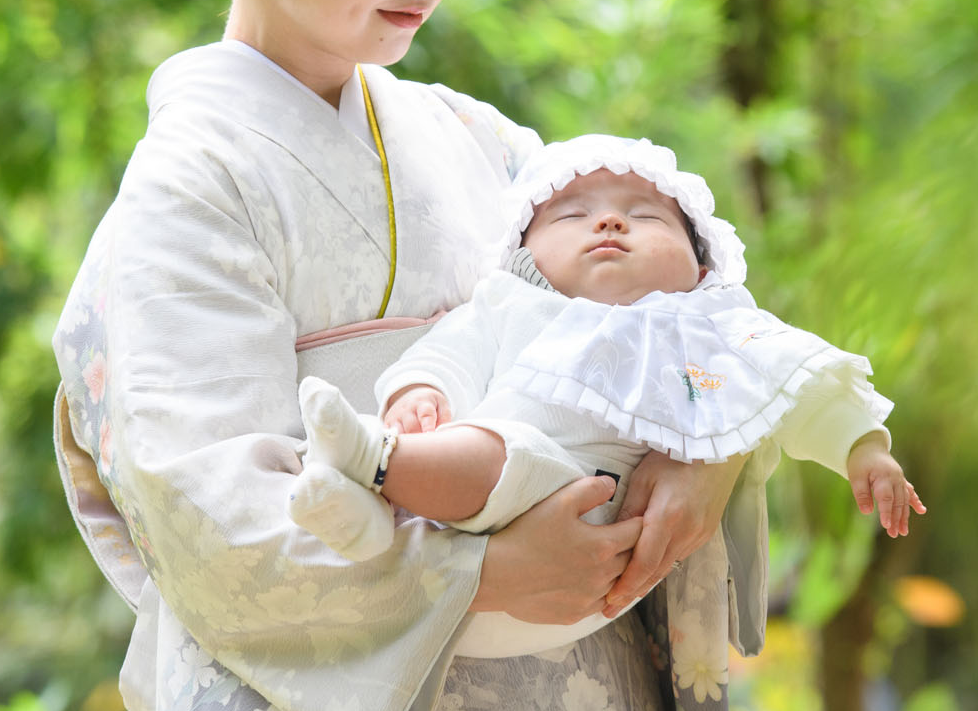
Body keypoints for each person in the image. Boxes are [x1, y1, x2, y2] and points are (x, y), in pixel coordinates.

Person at [50, 0, 754, 711]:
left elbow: (694, 310)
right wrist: (480, 569)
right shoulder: (187, 187)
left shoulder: (482, 146)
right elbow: (209, 514)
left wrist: (705, 453)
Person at [289, 135, 923, 661]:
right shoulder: (513, 302)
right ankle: (366, 493)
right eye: (570, 214)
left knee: (507, 456)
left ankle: (373, 462)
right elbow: (449, 352)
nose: (611, 220)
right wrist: (420, 392)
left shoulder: (711, 322)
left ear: (701, 266)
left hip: (596, 517)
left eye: (647, 216)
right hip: (482, 543)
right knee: (486, 449)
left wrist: (863, 448)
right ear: (523, 256)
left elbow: (790, 381)